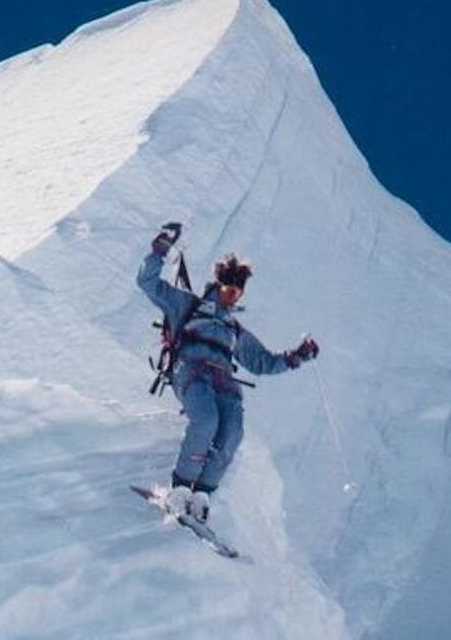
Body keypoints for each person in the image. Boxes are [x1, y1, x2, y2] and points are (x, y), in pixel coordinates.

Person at [137, 223, 319, 522]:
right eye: (229, 289)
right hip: (192, 373)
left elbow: (262, 362)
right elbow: (148, 282)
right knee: (206, 420)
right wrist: (159, 250)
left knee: (232, 432)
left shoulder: (235, 330)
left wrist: (297, 356)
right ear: (218, 284)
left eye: (238, 292)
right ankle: (181, 488)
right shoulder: (188, 305)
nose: (233, 297)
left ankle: (202, 494)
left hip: (224, 383)